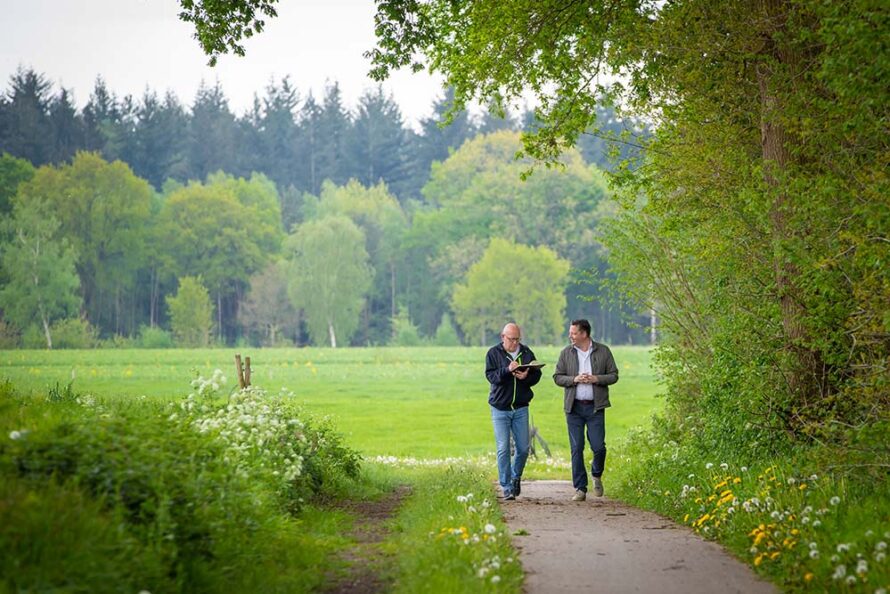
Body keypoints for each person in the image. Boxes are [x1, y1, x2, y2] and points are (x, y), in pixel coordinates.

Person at [553, 319, 619, 501]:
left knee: (598, 447)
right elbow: (557, 377)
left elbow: (614, 375)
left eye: (573, 333)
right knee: (577, 447)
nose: (570, 336)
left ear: (584, 334)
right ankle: (580, 489)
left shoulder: (603, 351)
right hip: (573, 408)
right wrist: (574, 379)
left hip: (595, 407)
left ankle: (596, 474)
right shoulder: (566, 353)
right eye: (571, 333)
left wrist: (596, 378)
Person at [485, 322, 542, 500]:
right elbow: (491, 376)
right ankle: (506, 486)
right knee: (502, 448)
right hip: (500, 408)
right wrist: (506, 370)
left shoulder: (526, 353)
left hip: (521, 407)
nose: (515, 343)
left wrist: (527, 376)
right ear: (503, 337)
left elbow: (536, 375)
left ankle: (516, 476)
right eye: (511, 339)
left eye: (517, 339)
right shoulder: (493, 353)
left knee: (524, 448)